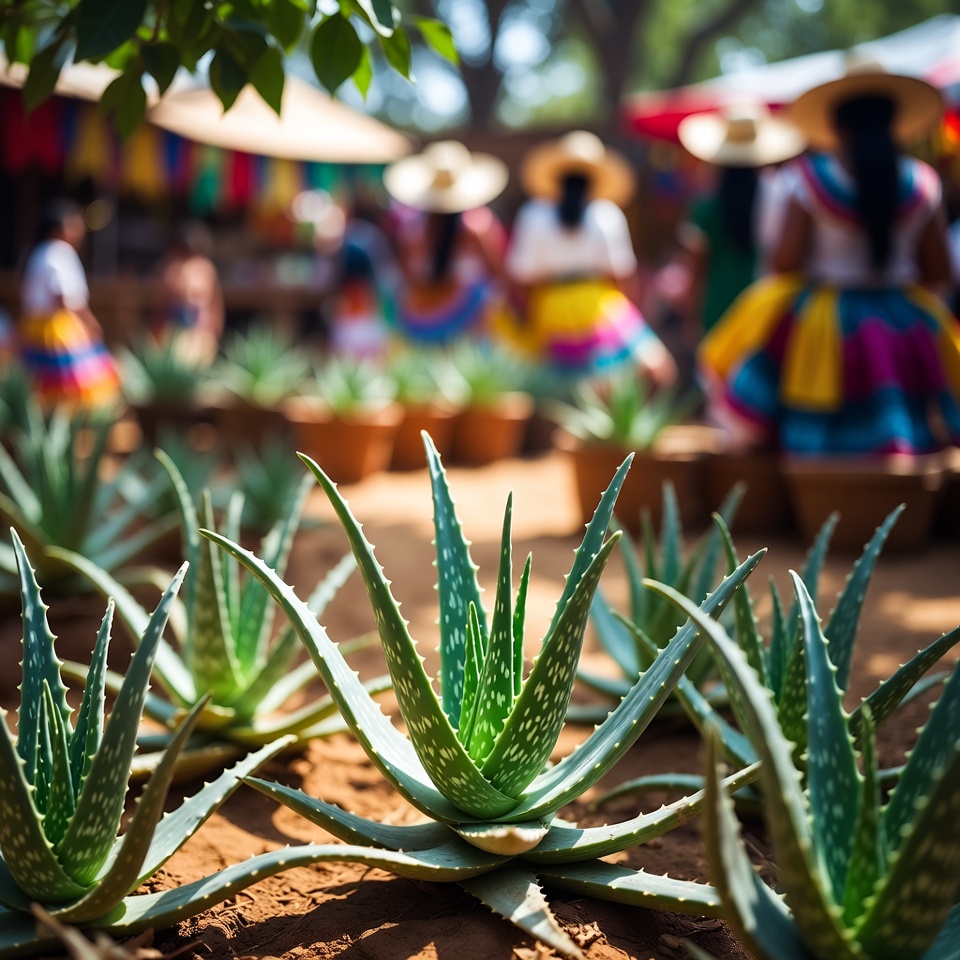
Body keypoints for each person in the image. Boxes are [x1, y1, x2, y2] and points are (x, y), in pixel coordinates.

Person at [699, 61, 960, 457]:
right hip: (903, 320)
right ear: (895, 123)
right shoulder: (922, 183)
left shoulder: (812, 179)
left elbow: (785, 261)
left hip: (822, 322)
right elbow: (939, 271)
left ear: (838, 127)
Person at [502, 130, 676, 385]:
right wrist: (630, 313)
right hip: (600, 302)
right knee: (657, 368)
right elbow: (623, 276)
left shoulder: (533, 214)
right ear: (596, 177)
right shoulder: (606, 214)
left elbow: (520, 278)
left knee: (561, 385)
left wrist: (533, 314)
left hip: (549, 306)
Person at [674, 102, 806, 340]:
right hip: (764, 310)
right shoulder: (780, 199)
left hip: (717, 312)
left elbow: (695, 270)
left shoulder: (705, 208)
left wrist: (690, 317)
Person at [382, 140, 509, 344]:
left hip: (420, 317)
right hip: (468, 322)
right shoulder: (478, 226)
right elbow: (497, 270)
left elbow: (404, 274)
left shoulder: (413, 230)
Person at [19, 199, 119, 410]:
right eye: (73, 226)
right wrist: (91, 324)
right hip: (59, 331)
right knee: (82, 388)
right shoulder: (60, 251)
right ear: (57, 229)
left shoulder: (35, 252)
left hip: (33, 329)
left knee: (40, 389)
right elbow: (67, 299)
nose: (79, 232)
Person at [151, 222, 224, 365]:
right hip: (171, 330)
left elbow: (214, 304)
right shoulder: (169, 267)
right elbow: (159, 303)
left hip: (200, 331)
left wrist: (213, 329)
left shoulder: (205, 268)